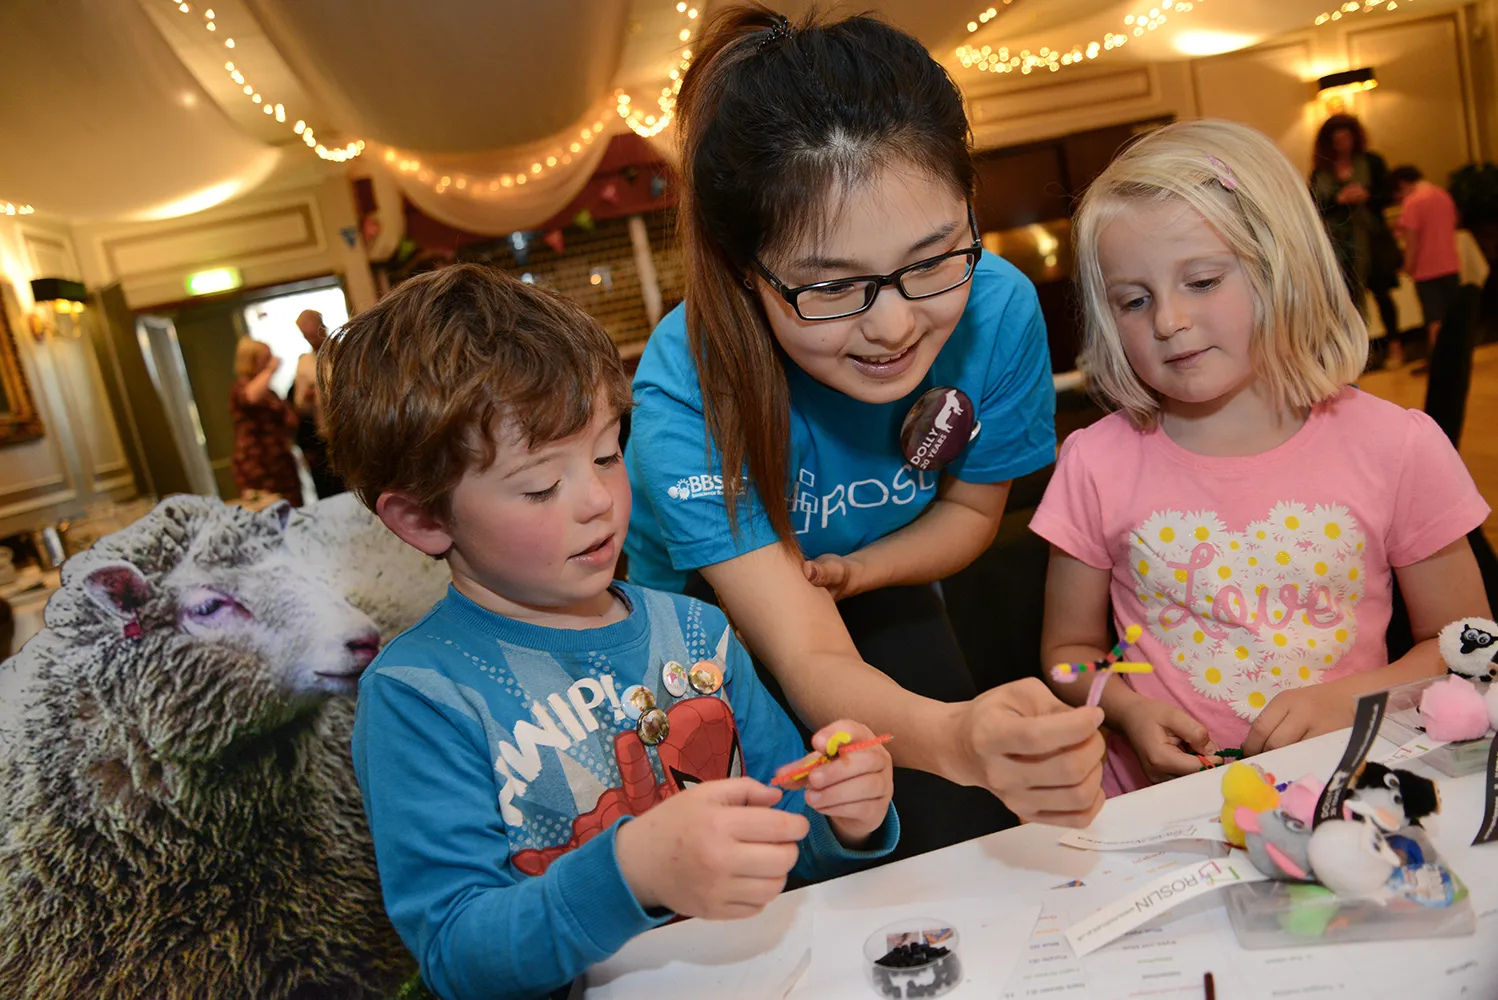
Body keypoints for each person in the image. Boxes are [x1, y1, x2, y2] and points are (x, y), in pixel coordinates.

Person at [319, 264, 898, 1000]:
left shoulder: (697, 631)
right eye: (540, 486)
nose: (598, 499)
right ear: (424, 519)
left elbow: (787, 828)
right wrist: (631, 873)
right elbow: (459, 954)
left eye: (606, 454)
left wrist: (842, 815)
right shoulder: (420, 695)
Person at [623, 3, 1106, 857]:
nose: (894, 326)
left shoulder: (996, 309)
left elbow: (969, 512)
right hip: (699, 635)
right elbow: (805, 654)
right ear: (744, 272)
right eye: (833, 287)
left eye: (933, 259)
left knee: (955, 841)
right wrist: (957, 740)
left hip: (874, 583)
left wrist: (864, 572)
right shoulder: (690, 384)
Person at [1033, 119, 1491, 794]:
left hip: (1352, 793)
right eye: (1134, 300)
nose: (1167, 321)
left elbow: (1469, 643)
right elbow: (1067, 656)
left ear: (1283, 270)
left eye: (1202, 281)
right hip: (1161, 806)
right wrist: (1124, 710)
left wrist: (1354, 700)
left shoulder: (1397, 446)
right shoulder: (1092, 464)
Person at [1310, 114, 1403, 365]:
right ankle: (1358, 354)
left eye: (1346, 137)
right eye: (1337, 139)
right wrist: (1338, 200)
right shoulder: (1322, 171)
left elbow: (1388, 194)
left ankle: (1394, 347)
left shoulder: (1372, 162)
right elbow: (1315, 206)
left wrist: (1367, 195)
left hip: (1372, 241)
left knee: (1382, 295)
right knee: (1347, 302)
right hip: (1340, 247)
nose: (1342, 143)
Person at [1390, 165, 1463, 365]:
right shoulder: (1443, 195)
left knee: (1434, 319)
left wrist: (1408, 265)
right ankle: (1458, 358)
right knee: (1452, 316)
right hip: (1451, 263)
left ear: (1402, 184)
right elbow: (1454, 223)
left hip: (1427, 268)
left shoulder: (1413, 202)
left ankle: (1439, 362)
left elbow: (1412, 240)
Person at [229, 336, 302, 506]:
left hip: (281, 464)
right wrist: (270, 370)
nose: (271, 361)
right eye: (266, 358)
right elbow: (251, 397)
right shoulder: (240, 388)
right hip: (258, 467)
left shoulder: (269, 393)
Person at [288, 308, 347, 500]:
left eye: (313, 334)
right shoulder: (304, 363)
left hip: (350, 428)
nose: (311, 340)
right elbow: (299, 406)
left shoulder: (342, 351)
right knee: (333, 489)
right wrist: (306, 398)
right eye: (306, 336)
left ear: (322, 327)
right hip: (325, 435)